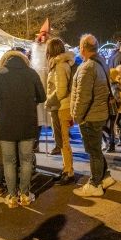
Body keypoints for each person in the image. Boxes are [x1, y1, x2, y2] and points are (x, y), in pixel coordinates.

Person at [0, 50, 46, 208]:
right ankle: (25, 194)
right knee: (26, 160)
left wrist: (1, 106)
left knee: (9, 161)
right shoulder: (31, 73)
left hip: (6, 123)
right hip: (27, 122)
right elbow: (42, 97)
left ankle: (12, 197)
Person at [71, 34, 116, 197]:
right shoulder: (100, 62)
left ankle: (95, 184)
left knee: (93, 151)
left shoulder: (88, 67)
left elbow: (83, 97)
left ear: (83, 47)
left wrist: (77, 116)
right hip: (99, 112)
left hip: (90, 116)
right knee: (96, 149)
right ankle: (105, 176)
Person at [45, 38, 76, 185]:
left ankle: (69, 172)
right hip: (61, 106)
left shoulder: (59, 66)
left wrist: (48, 101)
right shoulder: (61, 64)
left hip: (61, 107)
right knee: (62, 140)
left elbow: (61, 91)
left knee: (63, 141)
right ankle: (66, 169)